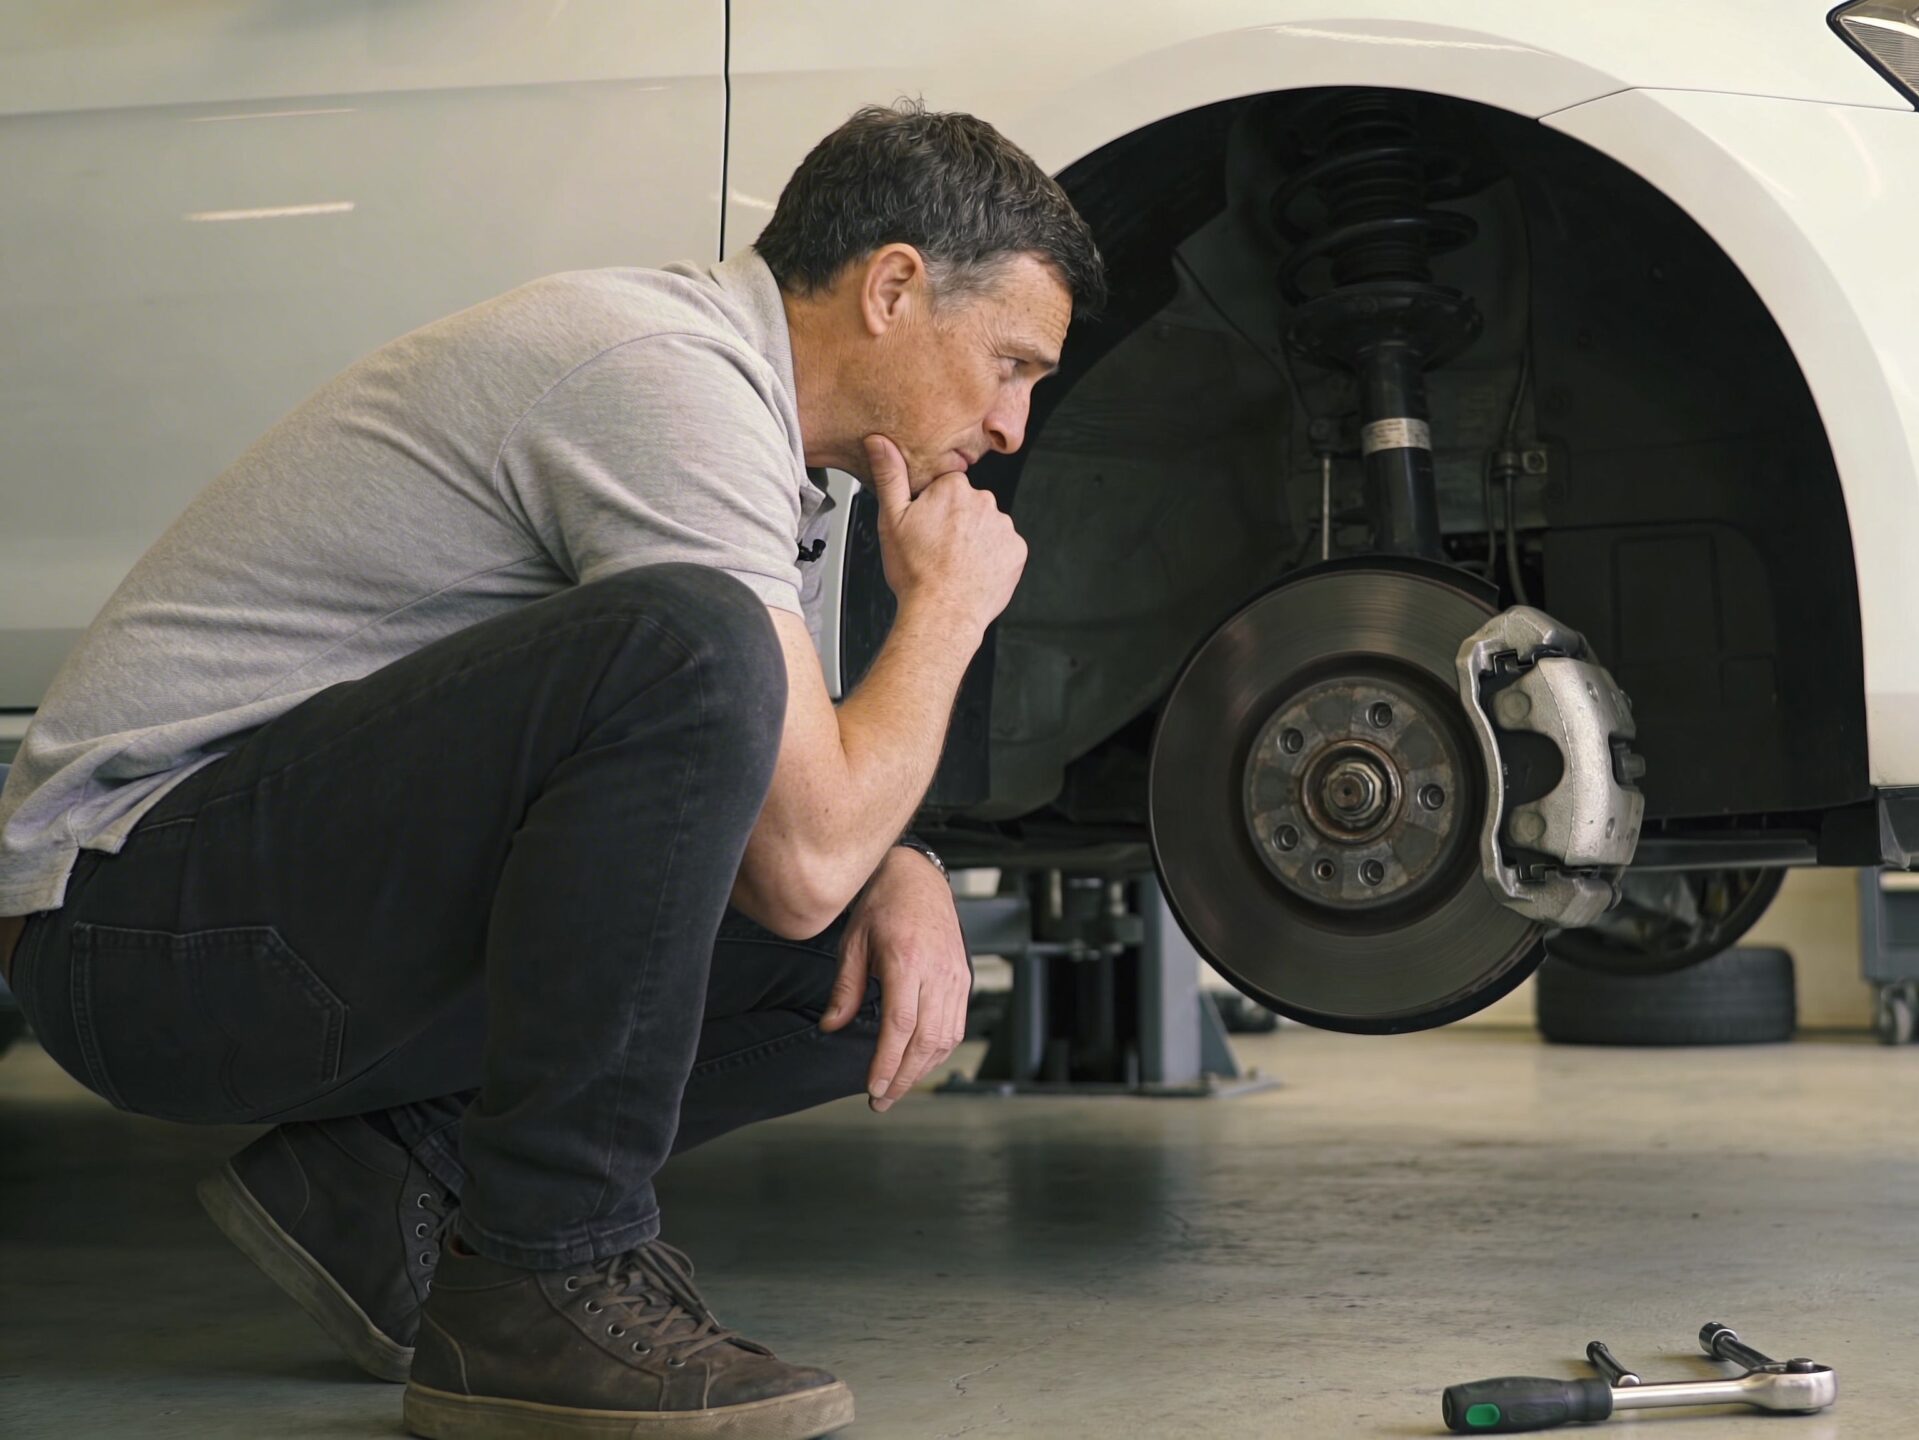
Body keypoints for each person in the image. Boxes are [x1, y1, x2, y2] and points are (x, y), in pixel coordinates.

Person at [0, 102, 1104, 1440]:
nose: (1011, 426)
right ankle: (544, 1276)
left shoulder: (793, 471)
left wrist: (910, 860)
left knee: (872, 974)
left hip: (283, 919)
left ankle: (390, 1183)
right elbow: (807, 848)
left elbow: (798, 829)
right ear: (892, 287)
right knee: (692, 648)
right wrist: (945, 615)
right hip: (133, 926)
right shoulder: (666, 380)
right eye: (1009, 364)